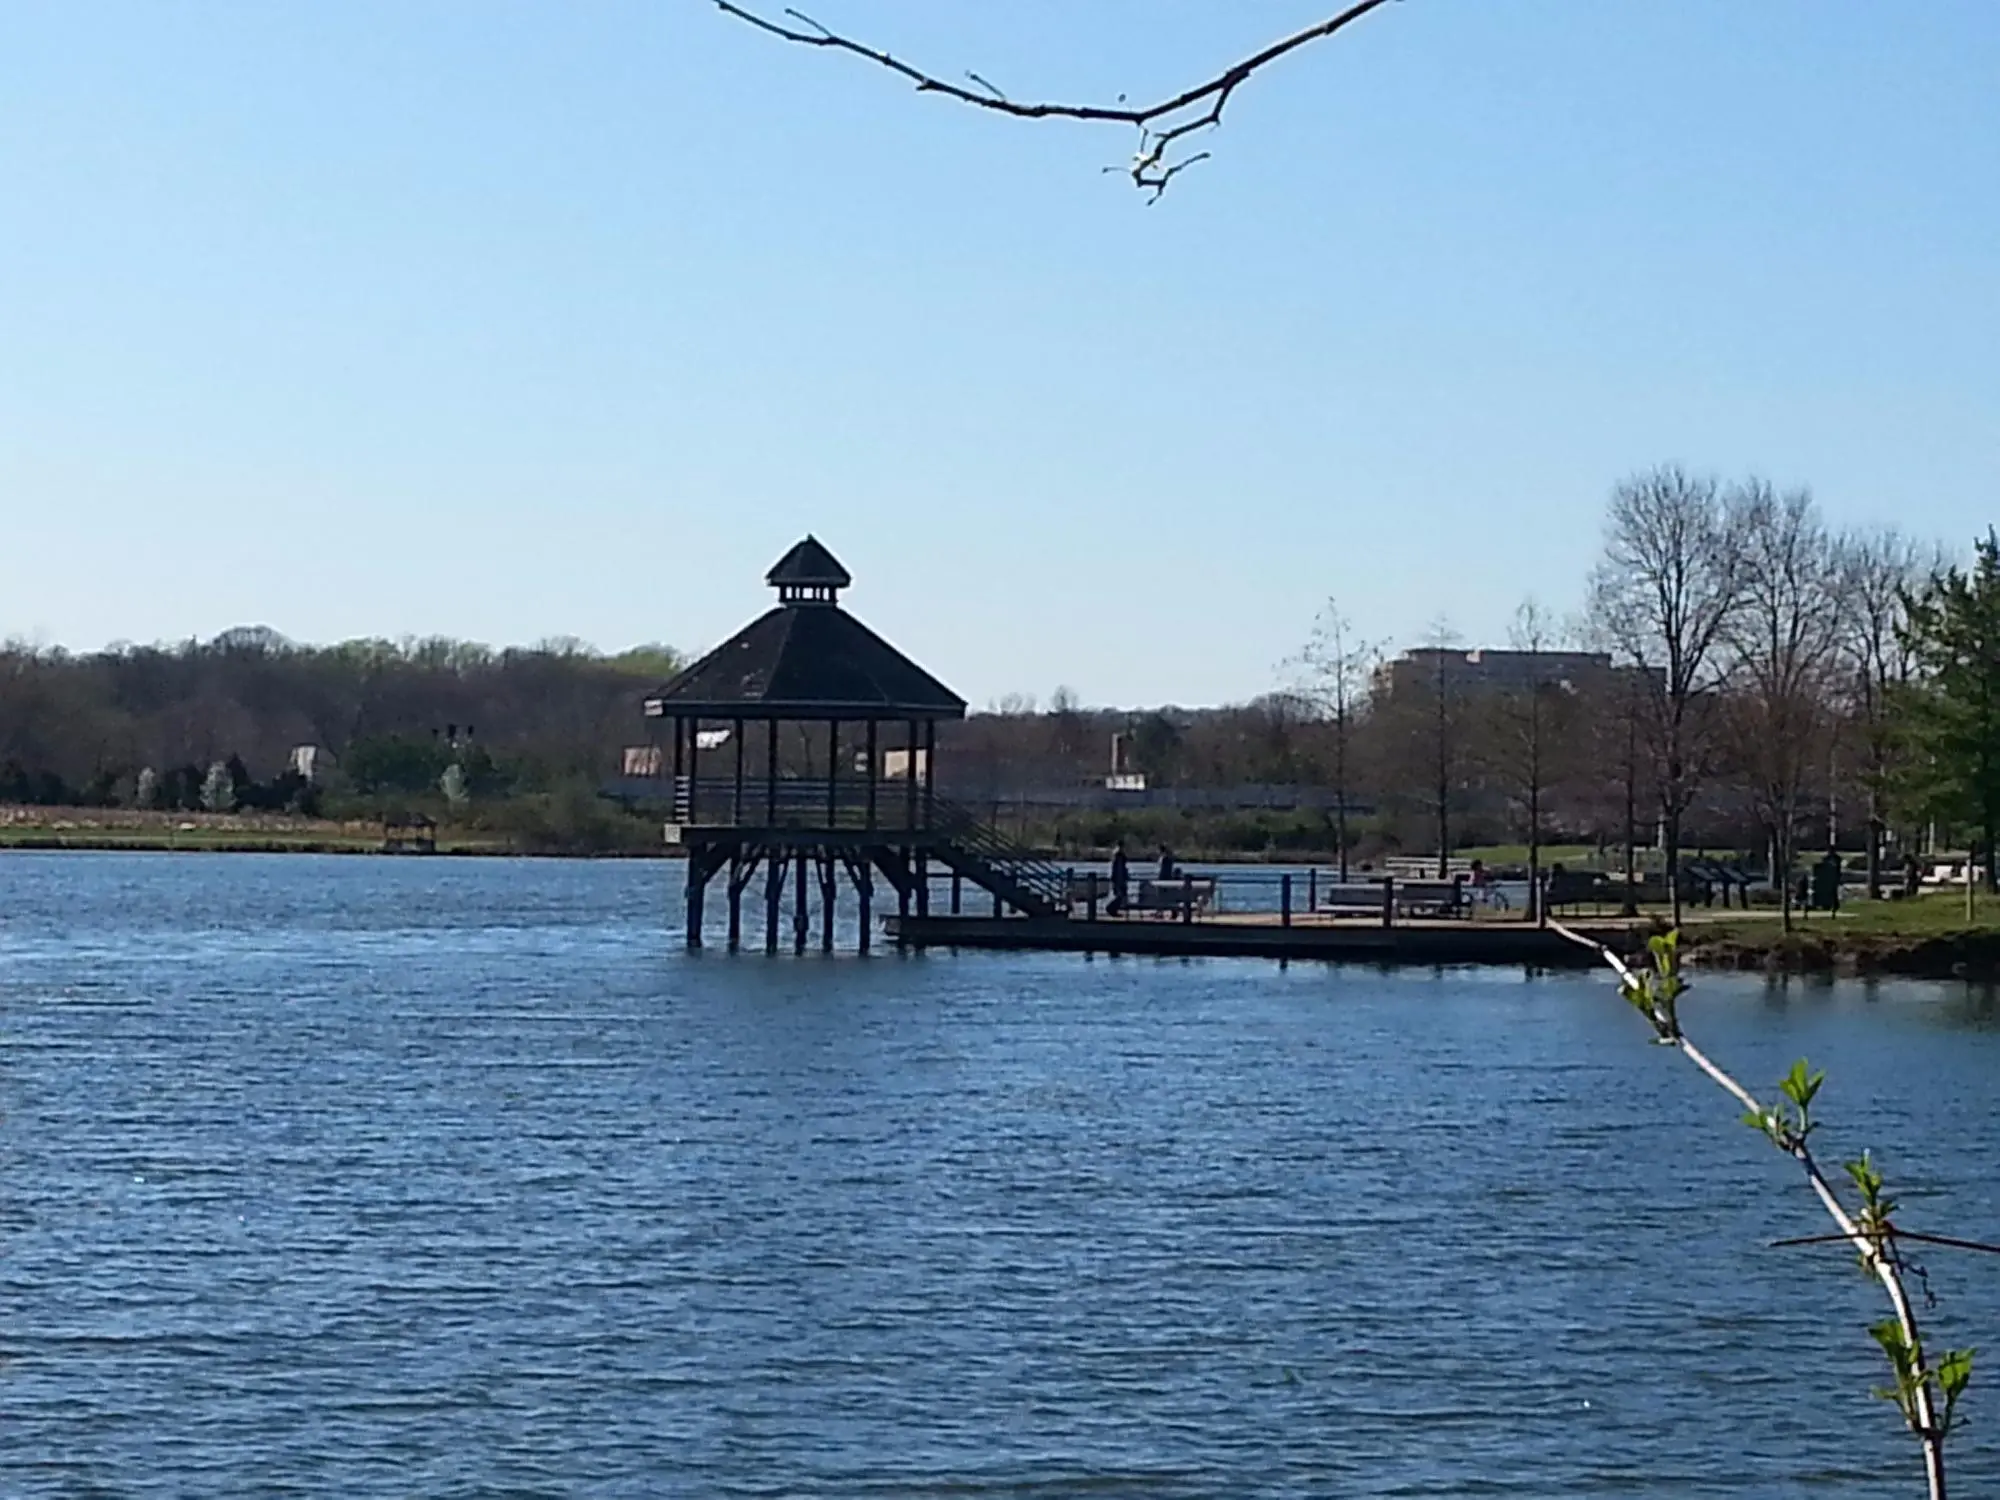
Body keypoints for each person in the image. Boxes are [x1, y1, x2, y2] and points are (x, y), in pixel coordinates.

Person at [1108, 842, 1129, 917]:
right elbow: (1117, 868)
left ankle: (1114, 909)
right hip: (1118, 878)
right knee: (1119, 894)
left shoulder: (1118, 854)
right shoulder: (1118, 854)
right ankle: (1111, 908)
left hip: (1120, 878)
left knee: (1120, 895)